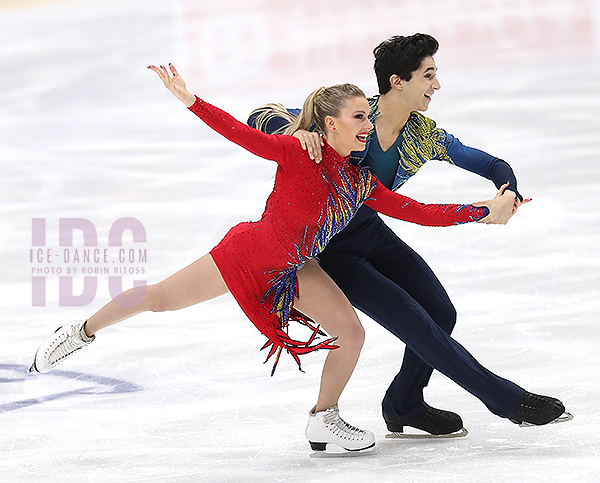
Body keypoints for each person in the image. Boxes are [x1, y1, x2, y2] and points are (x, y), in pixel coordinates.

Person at [28, 64, 500, 454]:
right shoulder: (298, 151)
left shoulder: (359, 182)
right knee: (159, 299)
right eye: (360, 118)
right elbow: (238, 131)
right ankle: (79, 332)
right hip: (249, 256)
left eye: (368, 118)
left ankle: (324, 417)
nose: (368, 127)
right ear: (331, 124)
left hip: (297, 268)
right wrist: (191, 100)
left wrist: (482, 212)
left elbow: (415, 212)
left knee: (351, 333)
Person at [248, 34, 571, 436]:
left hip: (369, 230)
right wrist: (296, 131)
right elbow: (262, 114)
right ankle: (508, 400)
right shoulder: (349, 116)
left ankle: (403, 403)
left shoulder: (421, 133)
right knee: (417, 323)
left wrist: (508, 194)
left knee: (440, 313)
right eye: (428, 75)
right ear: (397, 82)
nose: (436, 85)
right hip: (329, 249)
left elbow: (490, 162)